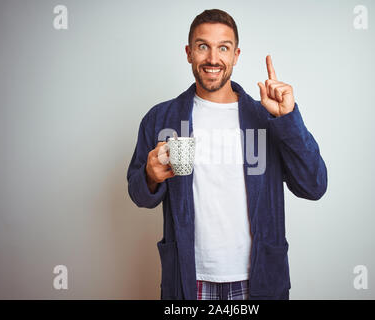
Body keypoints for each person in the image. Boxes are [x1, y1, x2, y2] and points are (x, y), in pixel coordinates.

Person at [127, 9, 327, 300]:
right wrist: (149, 177)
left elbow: (314, 185)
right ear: (188, 52)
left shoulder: (265, 117)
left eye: (223, 47)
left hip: (258, 277)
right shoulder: (162, 118)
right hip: (189, 277)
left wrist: (288, 120)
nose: (212, 58)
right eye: (202, 46)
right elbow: (138, 194)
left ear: (236, 55)